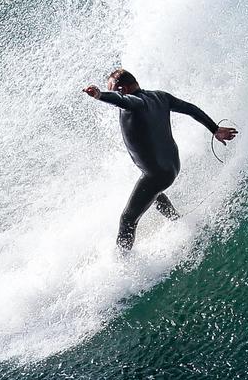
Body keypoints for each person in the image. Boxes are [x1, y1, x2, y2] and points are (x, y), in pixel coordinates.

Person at [83, 68, 238, 250]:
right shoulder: (161, 97)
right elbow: (190, 109)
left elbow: (121, 100)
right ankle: (177, 222)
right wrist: (214, 129)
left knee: (127, 219)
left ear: (122, 89)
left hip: (155, 174)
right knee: (154, 193)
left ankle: (121, 264)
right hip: (172, 166)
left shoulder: (134, 103)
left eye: (113, 90)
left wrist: (100, 95)